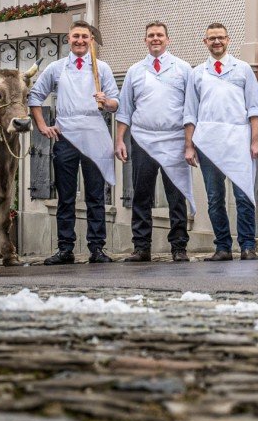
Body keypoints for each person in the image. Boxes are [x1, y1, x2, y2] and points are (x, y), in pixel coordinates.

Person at [29, 20, 120, 265]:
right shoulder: (56, 68)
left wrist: (106, 101)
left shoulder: (102, 68)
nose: (80, 40)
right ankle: (65, 248)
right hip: (66, 135)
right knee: (66, 196)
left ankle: (97, 247)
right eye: (76, 36)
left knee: (95, 195)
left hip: (95, 133)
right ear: (68, 39)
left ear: (91, 40)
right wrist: (42, 126)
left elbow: (116, 103)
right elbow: (35, 96)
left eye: (84, 37)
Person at [182, 21, 258, 261]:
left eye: (221, 37)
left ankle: (248, 246)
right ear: (205, 42)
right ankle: (223, 247)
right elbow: (190, 112)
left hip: (239, 140)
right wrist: (189, 145)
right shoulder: (197, 73)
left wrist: (256, 140)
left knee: (243, 195)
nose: (216, 41)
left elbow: (254, 108)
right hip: (208, 143)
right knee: (215, 197)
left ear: (228, 40)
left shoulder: (243, 69)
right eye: (212, 38)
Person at [115, 21, 193, 263]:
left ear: (168, 40)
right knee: (141, 194)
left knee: (176, 194)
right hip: (143, 139)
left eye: (160, 35)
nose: (155, 38)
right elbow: (125, 109)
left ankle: (179, 247)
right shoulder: (135, 71)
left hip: (174, 139)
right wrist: (119, 140)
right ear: (145, 40)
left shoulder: (183, 69)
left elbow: (191, 109)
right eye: (151, 35)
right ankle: (141, 247)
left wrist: (189, 143)